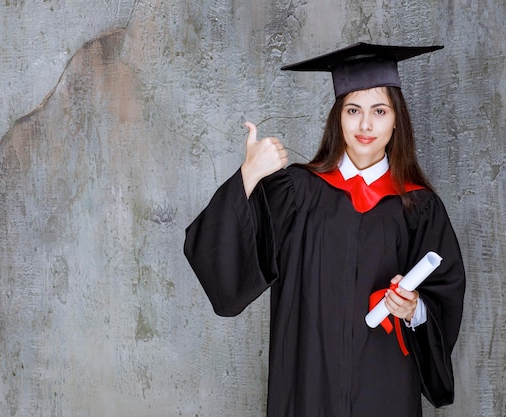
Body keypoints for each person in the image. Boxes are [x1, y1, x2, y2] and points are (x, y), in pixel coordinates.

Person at [184, 42, 466, 417]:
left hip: (385, 390)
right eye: (353, 110)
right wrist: (249, 173)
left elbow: (443, 300)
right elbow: (219, 258)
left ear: (396, 119)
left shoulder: (418, 208)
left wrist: (415, 309)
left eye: (379, 111)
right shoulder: (297, 193)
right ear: (338, 118)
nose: (366, 125)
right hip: (309, 387)